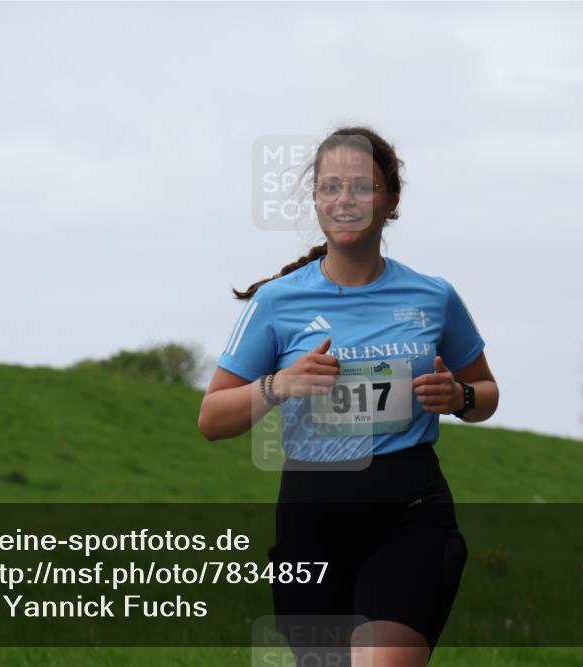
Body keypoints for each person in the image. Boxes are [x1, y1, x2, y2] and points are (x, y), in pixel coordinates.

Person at [198, 126, 499, 667]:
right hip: (311, 521)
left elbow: (487, 395)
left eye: (362, 187)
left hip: (410, 512)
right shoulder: (277, 303)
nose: (345, 201)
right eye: (330, 187)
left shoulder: (433, 296)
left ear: (391, 200)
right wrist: (279, 385)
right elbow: (212, 419)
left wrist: (458, 396)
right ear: (315, 199)